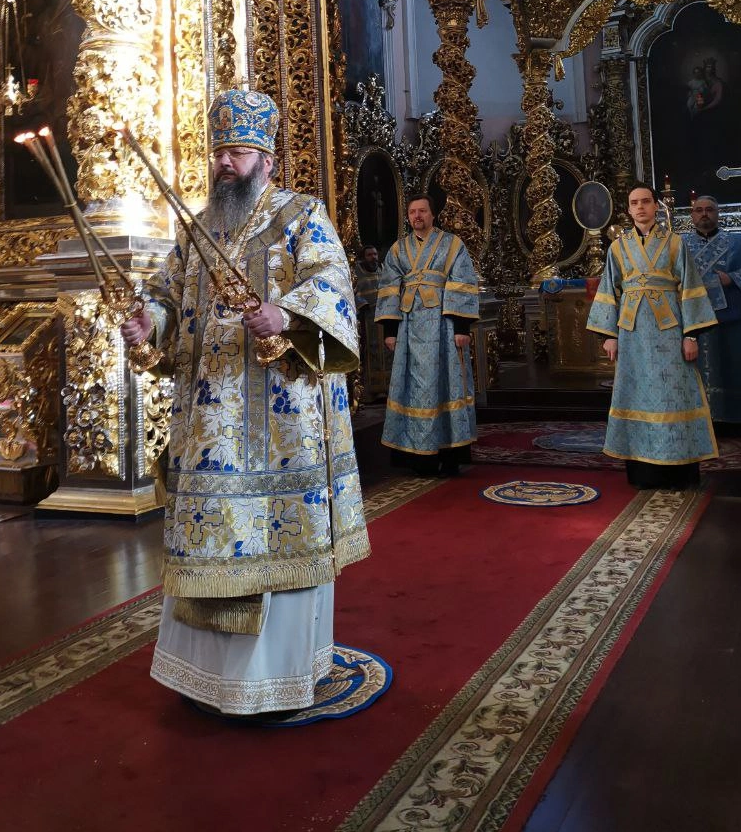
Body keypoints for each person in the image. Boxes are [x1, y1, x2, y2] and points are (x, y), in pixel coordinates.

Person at [120, 88, 370, 716]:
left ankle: (278, 678)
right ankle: (205, 679)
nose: (225, 162)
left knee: (278, 544)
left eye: (237, 151)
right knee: (210, 536)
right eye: (220, 151)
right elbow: (167, 296)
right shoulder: (198, 228)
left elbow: (333, 286)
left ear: (266, 158)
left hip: (283, 425)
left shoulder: (301, 215)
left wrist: (284, 316)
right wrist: (150, 324)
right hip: (209, 425)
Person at [587, 184, 719, 488]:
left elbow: (690, 288)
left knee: (675, 394)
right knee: (635, 393)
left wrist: (691, 336)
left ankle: (678, 470)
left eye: (646, 201)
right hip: (632, 334)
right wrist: (609, 335)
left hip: (669, 332)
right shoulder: (618, 248)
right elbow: (609, 290)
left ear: (655, 206)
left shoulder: (674, 244)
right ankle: (642, 471)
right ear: (629, 209)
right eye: (634, 203)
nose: (640, 207)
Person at [375, 195, 479, 476]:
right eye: (412, 212)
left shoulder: (452, 244)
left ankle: (450, 455)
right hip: (409, 326)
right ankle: (419, 458)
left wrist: (461, 328)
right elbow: (389, 288)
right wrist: (391, 331)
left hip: (444, 326)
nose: (417, 216)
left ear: (433, 215)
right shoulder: (398, 249)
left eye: (422, 211)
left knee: (447, 383)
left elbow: (463, 282)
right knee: (411, 387)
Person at [681, 195, 741, 426]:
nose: (704, 214)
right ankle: (698, 420)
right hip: (693, 319)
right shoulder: (680, 245)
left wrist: (732, 278)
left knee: (732, 365)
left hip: (729, 319)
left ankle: (734, 419)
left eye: (709, 209)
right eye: (699, 210)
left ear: (718, 213)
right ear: (692, 215)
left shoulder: (738, 243)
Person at [353, 244, 387, 402]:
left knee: (386, 351)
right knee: (370, 350)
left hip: (384, 316)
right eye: (369, 255)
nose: (373, 257)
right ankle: (370, 391)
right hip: (366, 318)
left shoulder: (382, 269)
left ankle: (386, 388)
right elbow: (352, 291)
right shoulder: (357, 272)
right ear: (363, 257)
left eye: (375, 254)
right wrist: (362, 304)